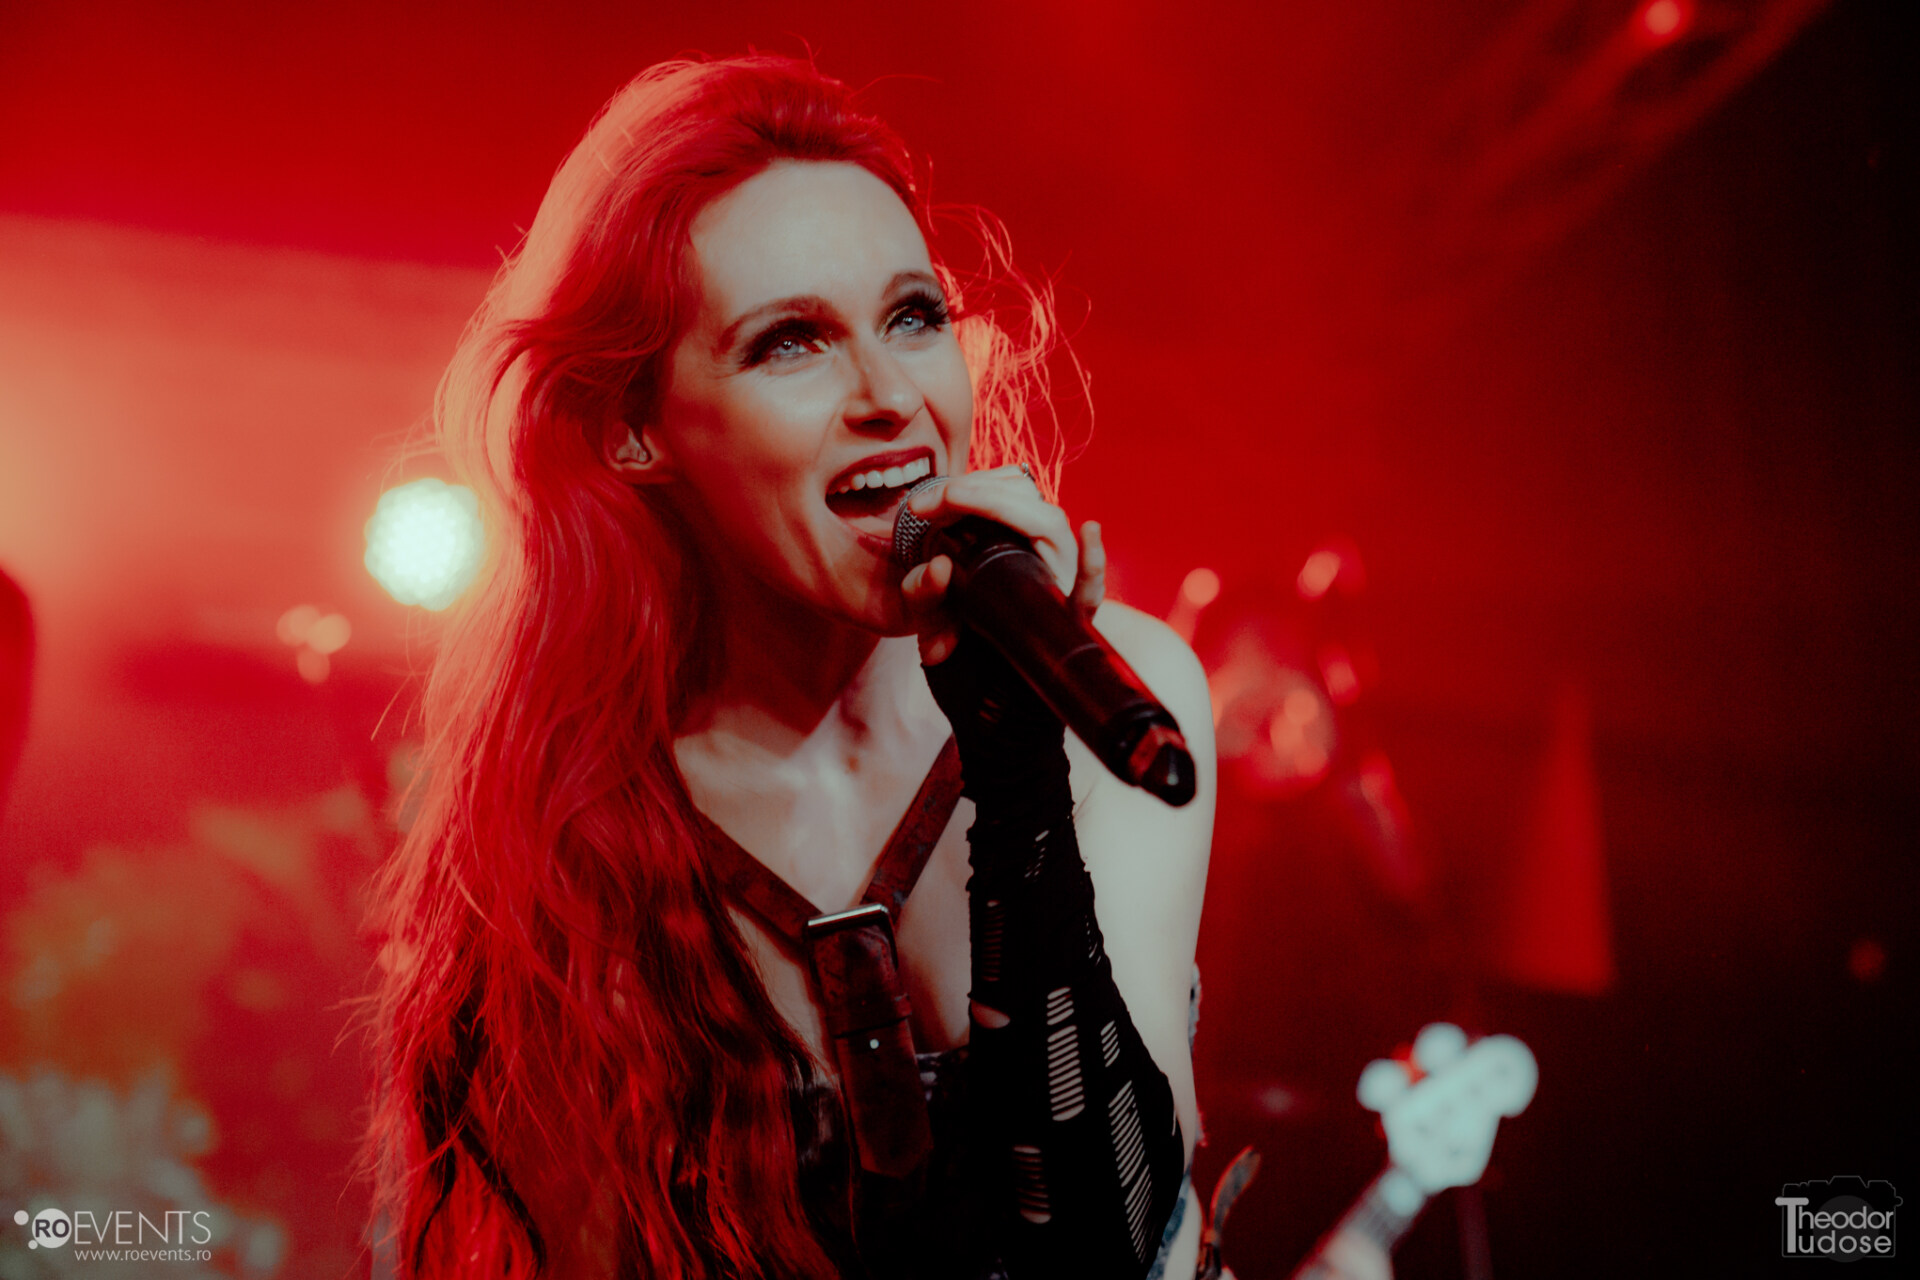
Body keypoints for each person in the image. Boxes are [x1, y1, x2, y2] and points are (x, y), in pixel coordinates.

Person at [364, 55, 1217, 1279]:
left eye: (913, 317)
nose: (889, 395)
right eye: (790, 343)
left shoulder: (1115, 690)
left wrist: (1022, 774)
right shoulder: (574, 825)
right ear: (635, 427)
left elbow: (1113, 1243)